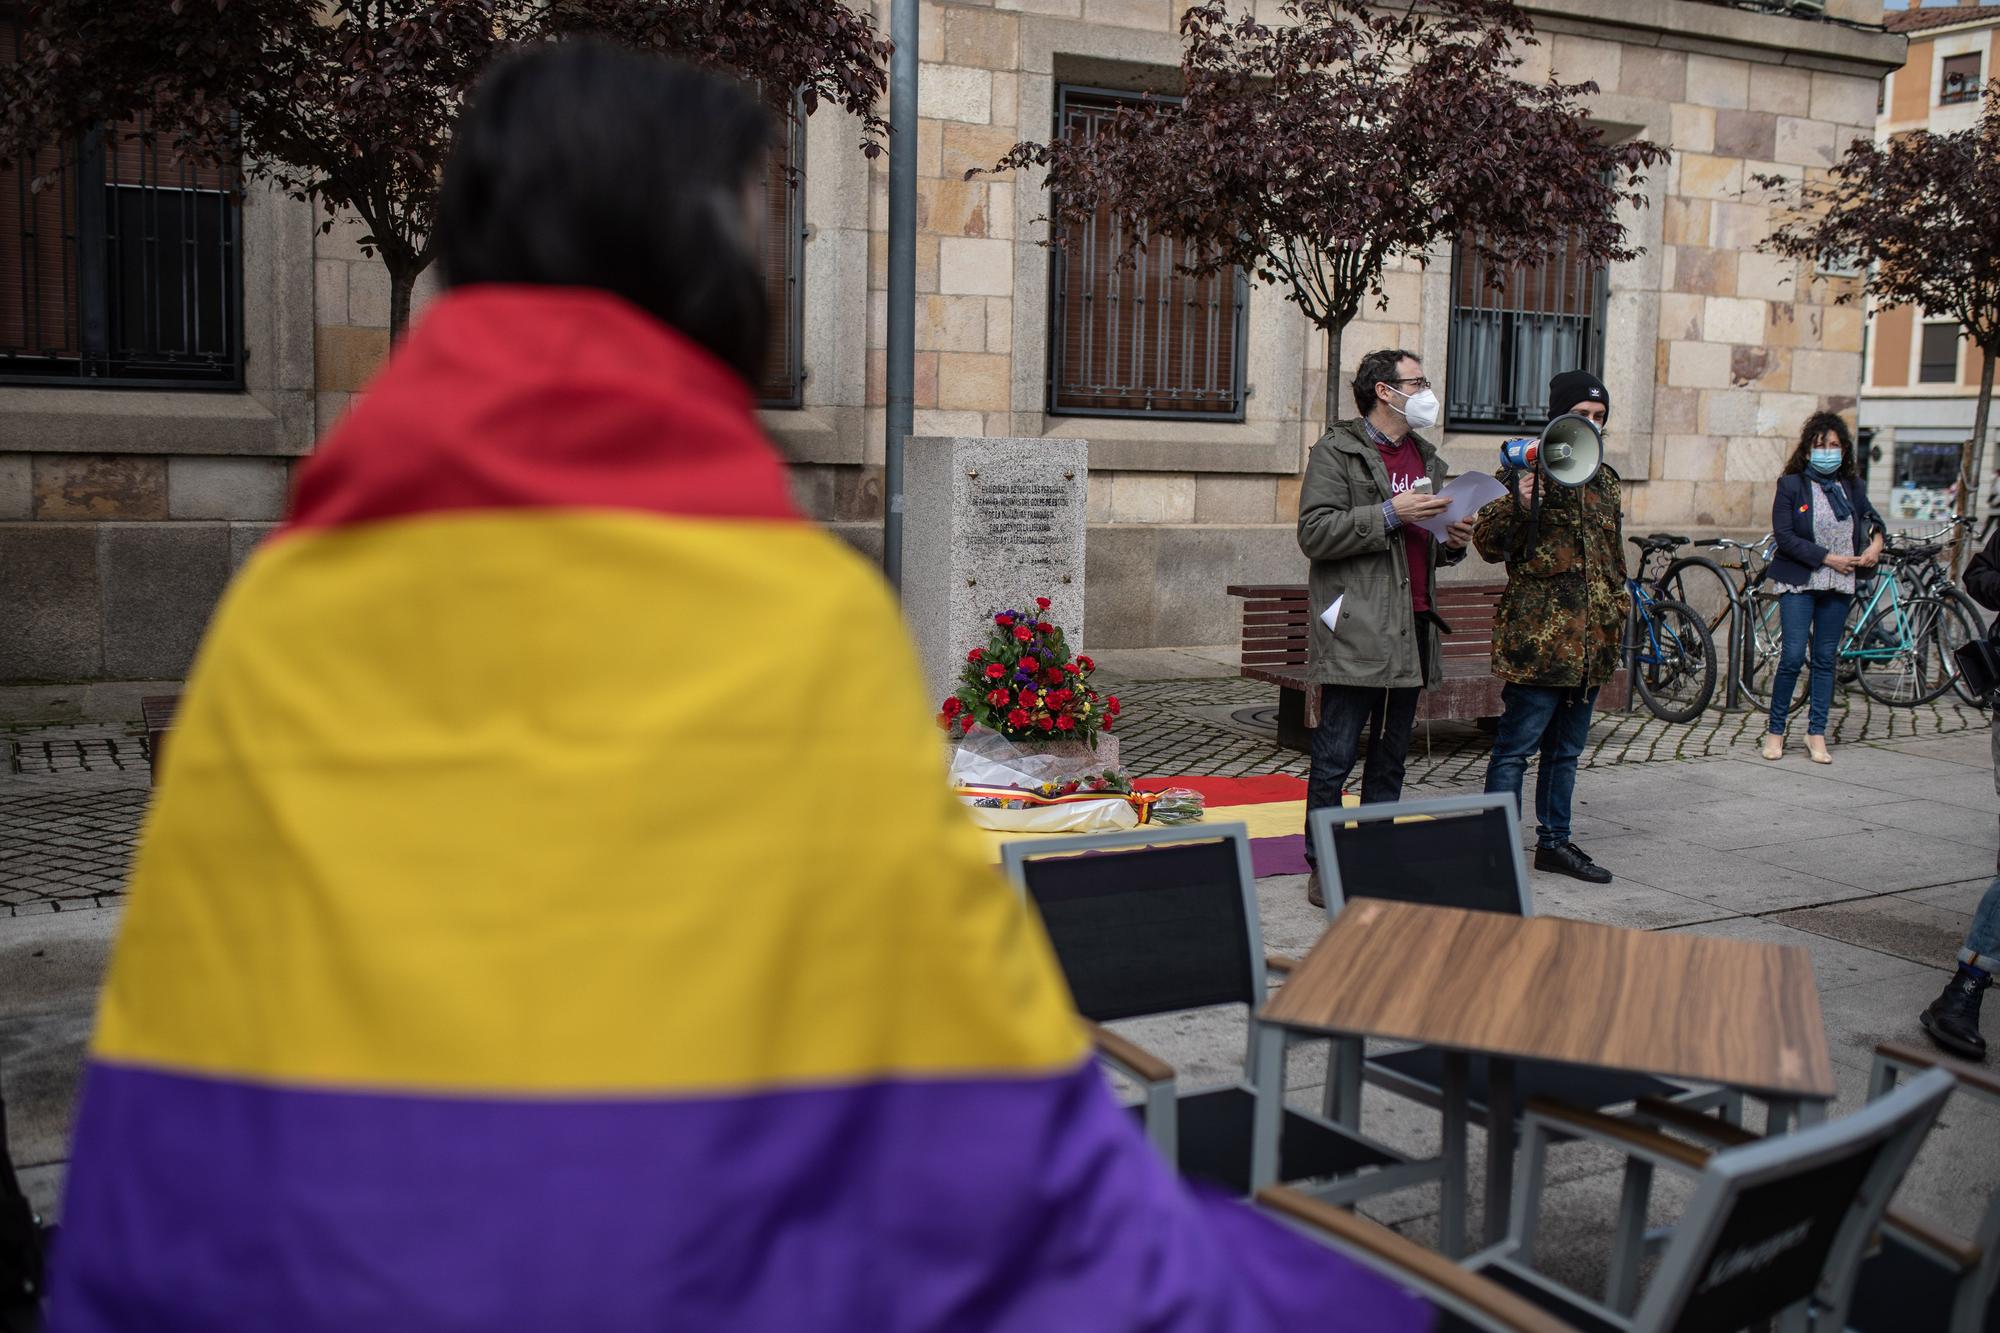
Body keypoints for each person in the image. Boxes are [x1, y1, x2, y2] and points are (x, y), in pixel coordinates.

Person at [45, 43, 1427, 1332]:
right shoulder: (788, 615)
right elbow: (984, 1139)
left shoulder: (283, 611)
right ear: (711, 275)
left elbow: (178, 1122)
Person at [1298, 348, 1475, 907]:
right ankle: (1324, 864)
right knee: (1335, 753)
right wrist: (1390, 513)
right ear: (1384, 390)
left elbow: (1427, 546)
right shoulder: (1338, 450)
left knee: (1392, 755)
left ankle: (1374, 859)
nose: (1427, 391)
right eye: (1417, 381)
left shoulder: (1427, 456)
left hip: (1413, 624)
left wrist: (1453, 542)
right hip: (1357, 625)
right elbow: (1315, 532)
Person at [1473, 370, 1626, 884]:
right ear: (1560, 416)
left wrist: (1616, 615)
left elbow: (1611, 558)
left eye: (1600, 418)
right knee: (1515, 750)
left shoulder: (1605, 481)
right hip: (1540, 642)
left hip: (1590, 645)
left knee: (1566, 753)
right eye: (1583, 416)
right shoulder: (1519, 474)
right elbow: (1488, 544)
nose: (1593, 425)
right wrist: (1519, 502)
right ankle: (1492, 846)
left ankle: (1555, 843)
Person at [1759, 412, 1884, 764]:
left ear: (1844, 449)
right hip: (1801, 582)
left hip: (1839, 585)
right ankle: (1776, 729)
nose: (1827, 451)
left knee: (1826, 659)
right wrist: (1829, 558)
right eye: (1820, 446)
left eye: (1833, 445)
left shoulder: (1853, 488)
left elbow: (1873, 520)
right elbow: (1785, 537)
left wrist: (1875, 545)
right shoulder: (1791, 485)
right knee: (1793, 656)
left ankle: (1816, 732)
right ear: (1808, 449)